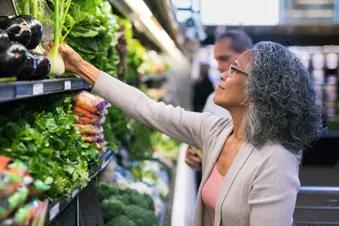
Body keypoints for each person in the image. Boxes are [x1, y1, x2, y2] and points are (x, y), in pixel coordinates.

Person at [47, 41, 323, 226]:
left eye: (234, 69)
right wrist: (81, 66)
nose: (223, 74)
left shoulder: (276, 160)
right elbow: (148, 109)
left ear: (259, 90)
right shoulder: (217, 131)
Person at [186, 30, 253, 169]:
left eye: (223, 58)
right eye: (216, 60)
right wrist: (194, 153)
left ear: (247, 57)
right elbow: (201, 138)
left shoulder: (271, 105)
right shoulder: (213, 99)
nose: (218, 67)